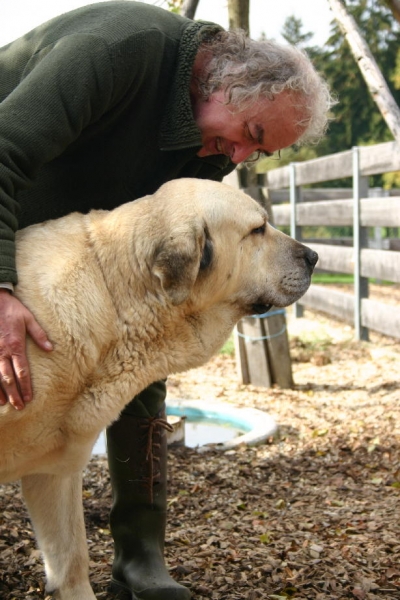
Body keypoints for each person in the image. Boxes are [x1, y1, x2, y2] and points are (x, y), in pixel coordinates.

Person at [0, 2, 333, 598]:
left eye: (258, 154)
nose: (236, 159)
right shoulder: (118, 51)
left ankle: (139, 555)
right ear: (227, 85)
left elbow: (161, 296)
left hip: (67, 247)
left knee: (141, 348)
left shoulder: (211, 141)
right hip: (10, 217)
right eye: (251, 135)